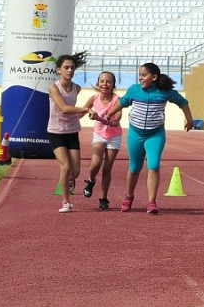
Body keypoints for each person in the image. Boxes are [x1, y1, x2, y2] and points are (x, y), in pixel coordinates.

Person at [100, 63, 194, 214]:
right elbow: (122, 102)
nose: (141, 78)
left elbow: (183, 103)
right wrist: (110, 113)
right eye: (140, 75)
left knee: (154, 165)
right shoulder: (134, 90)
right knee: (134, 168)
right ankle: (128, 197)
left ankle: (151, 202)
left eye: (144, 75)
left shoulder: (165, 91)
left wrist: (190, 120)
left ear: (154, 77)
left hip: (155, 134)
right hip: (135, 134)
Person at [47, 52, 91, 213]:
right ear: (59, 70)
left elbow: (76, 112)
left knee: (76, 171)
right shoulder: (54, 88)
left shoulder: (77, 88)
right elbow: (64, 108)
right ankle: (66, 202)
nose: (69, 70)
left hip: (72, 132)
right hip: (56, 132)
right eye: (66, 67)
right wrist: (85, 108)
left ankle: (69, 181)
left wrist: (87, 111)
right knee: (65, 166)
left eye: (72, 67)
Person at [84, 71, 122, 210]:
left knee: (107, 168)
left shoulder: (117, 100)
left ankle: (104, 198)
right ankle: (91, 180)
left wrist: (108, 120)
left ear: (113, 85)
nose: (105, 84)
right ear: (97, 84)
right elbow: (84, 109)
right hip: (99, 134)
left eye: (108, 82)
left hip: (114, 136)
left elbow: (117, 118)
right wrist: (87, 113)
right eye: (102, 81)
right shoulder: (94, 98)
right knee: (95, 163)